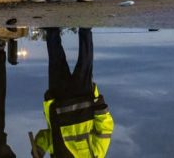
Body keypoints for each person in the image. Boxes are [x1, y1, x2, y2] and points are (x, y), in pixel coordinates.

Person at [33, 28, 114, 157]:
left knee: (56, 61)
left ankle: (52, 30)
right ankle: (85, 28)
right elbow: (105, 129)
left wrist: (39, 148)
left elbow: (50, 135)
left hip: (59, 102)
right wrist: (100, 107)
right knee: (85, 62)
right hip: (82, 99)